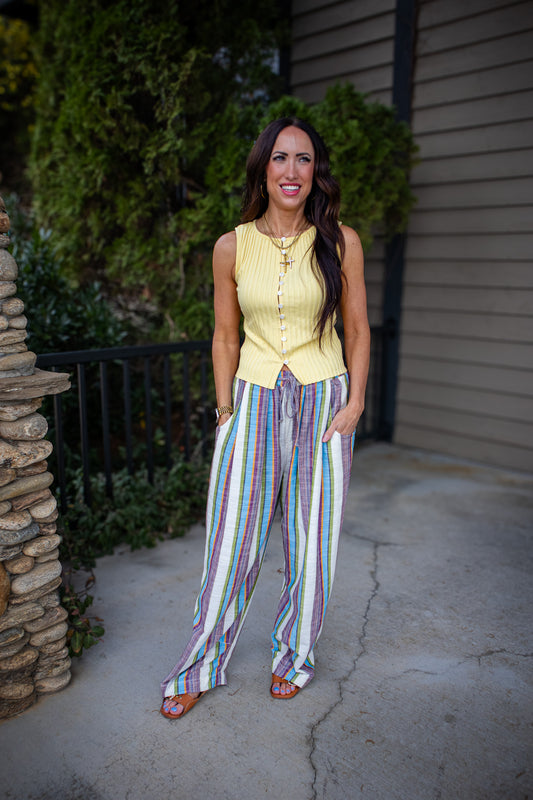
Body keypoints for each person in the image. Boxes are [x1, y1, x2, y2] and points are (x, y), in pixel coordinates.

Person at [160, 116, 370, 718]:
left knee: (312, 543)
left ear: (315, 172)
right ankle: (200, 663)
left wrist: (354, 404)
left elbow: (357, 329)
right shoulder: (232, 245)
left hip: (324, 401)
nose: (292, 171)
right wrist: (225, 409)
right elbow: (225, 337)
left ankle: (295, 656)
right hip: (251, 401)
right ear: (264, 167)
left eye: (304, 160)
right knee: (231, 543)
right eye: (281, 158)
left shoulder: (340, 240)